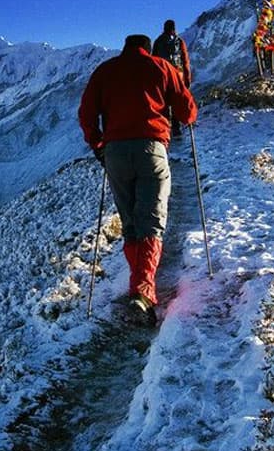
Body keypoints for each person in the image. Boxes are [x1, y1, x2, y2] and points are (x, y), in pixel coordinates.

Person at [79, 34, 198, 325]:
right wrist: (187, 117)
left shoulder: (104, 71)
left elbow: (85, 114)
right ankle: (142, 294)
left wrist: (98, 146)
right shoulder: (161, 67)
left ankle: (138, 286)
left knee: (130, 219)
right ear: (148, 48)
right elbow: (187, 110)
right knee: (152, 219)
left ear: (125, 47)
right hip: (151, 148)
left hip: (115, 153)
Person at [151, 20, 191, 136]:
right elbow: (185, 61)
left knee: (164, 103)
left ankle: (165, 129)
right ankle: (176, 128)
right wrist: (187, 79)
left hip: (162, 77)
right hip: (177, 76)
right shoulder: (179, 41)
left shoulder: (158, 41)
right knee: (175, 101)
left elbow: (153, 61)